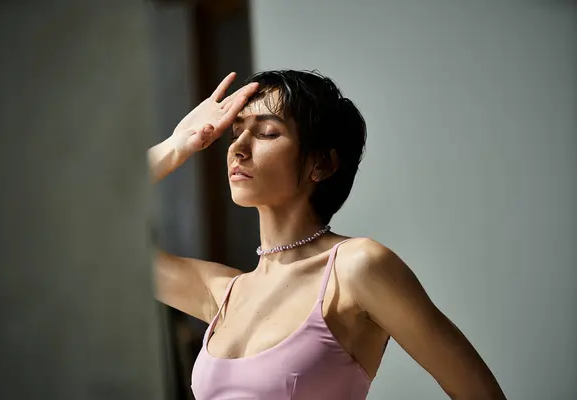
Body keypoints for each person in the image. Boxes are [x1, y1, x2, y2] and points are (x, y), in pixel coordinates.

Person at [149, 71, 506, 399]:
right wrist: (177, 145)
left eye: (267, 133)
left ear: (322, 164)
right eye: (236, 131)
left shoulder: (355, 268)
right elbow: (95, 236)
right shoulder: (222, 294)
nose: (238, 148)